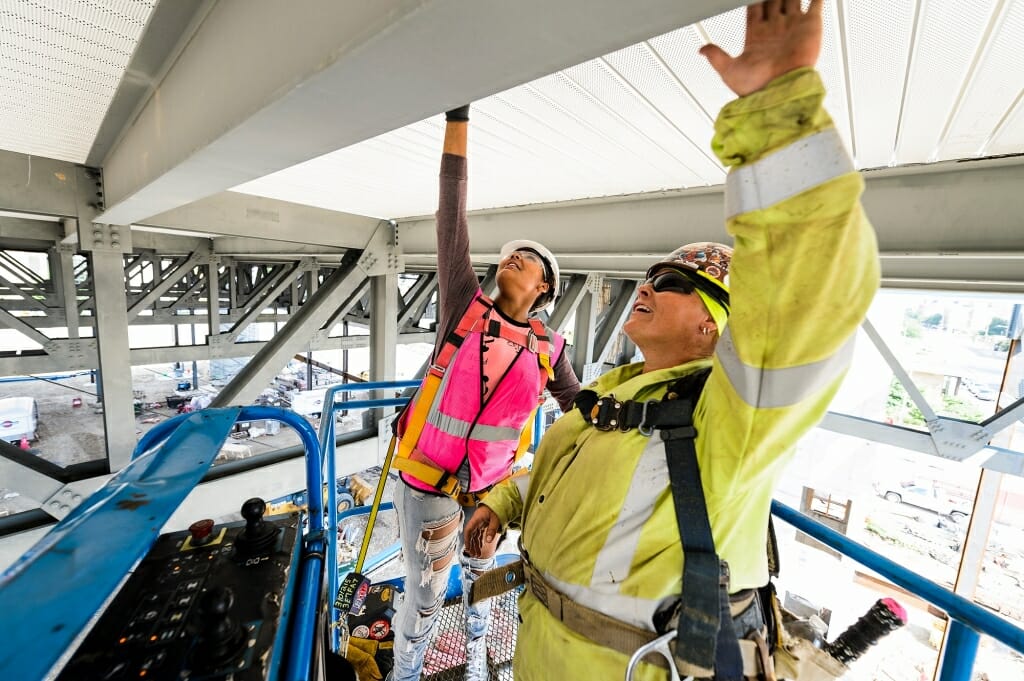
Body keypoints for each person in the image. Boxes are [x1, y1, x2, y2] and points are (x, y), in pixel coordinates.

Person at [464, 1, 879, 679]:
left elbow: (810, 295)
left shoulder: (727, 427)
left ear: (712, 325)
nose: (646, 286)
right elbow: (553, 484)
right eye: (649, 275)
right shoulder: (606, 403)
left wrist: (778, 117)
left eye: (671, 280)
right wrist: (501, 502)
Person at [386, 103, 581, 681]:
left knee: (482, 580)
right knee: (423, 600)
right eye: (509, 253)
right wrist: (458, 116)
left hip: (490, 492)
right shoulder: (463, 307)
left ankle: (475, 660)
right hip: (428, 486)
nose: (512, 256)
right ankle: (405, 674)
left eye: (529, 260)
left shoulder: (549, 349)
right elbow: (452, 213)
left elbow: (581, 410)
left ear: (544, 287)